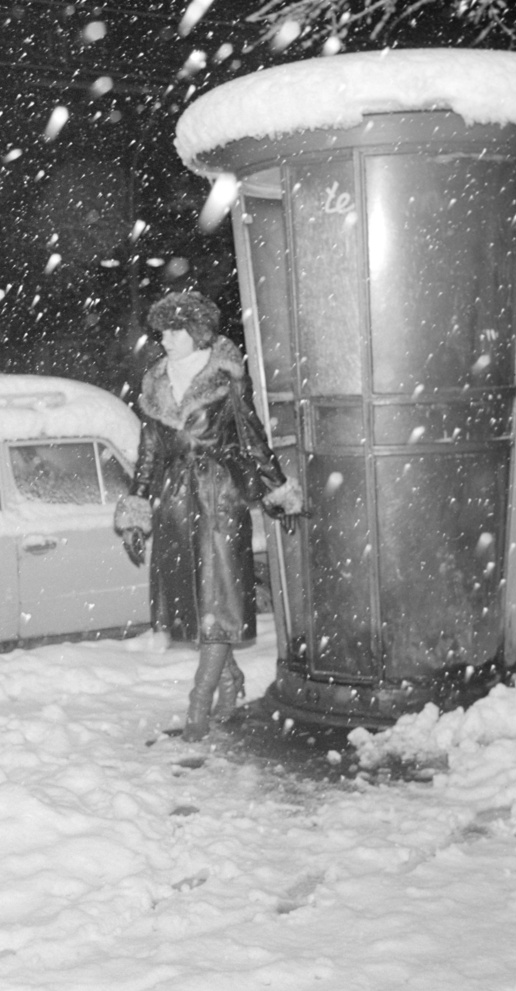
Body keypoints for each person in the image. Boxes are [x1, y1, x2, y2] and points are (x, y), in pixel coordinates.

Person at [114, 291, 304, 741]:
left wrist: (278, 490)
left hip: (220, 498)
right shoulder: (156, 379)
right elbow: (149, 453)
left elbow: (252, 435)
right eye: (162, 330)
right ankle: (231, 678)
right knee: (195, 604)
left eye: (174, 329)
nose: (165, 338)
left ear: (197, 333)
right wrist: (138, 510)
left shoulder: (224, 376)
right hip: (176, 502)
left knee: (218, 602)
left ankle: (198, 705)